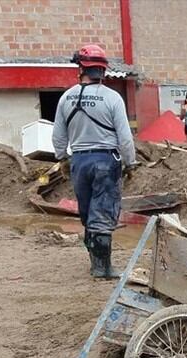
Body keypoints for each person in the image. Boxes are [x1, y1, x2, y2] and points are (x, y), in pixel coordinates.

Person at [52, 44, 136, 279]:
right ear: (103, 70)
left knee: (87, 212)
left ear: (81, 68)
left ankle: (94, 263)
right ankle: (102, 268)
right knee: (103, 212)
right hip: (106, 160)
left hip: (79, 161)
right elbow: (125, 137)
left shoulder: (66, 97)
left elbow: (58, 136)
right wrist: (130, 162)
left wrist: (63, 158)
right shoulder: (112, 98)